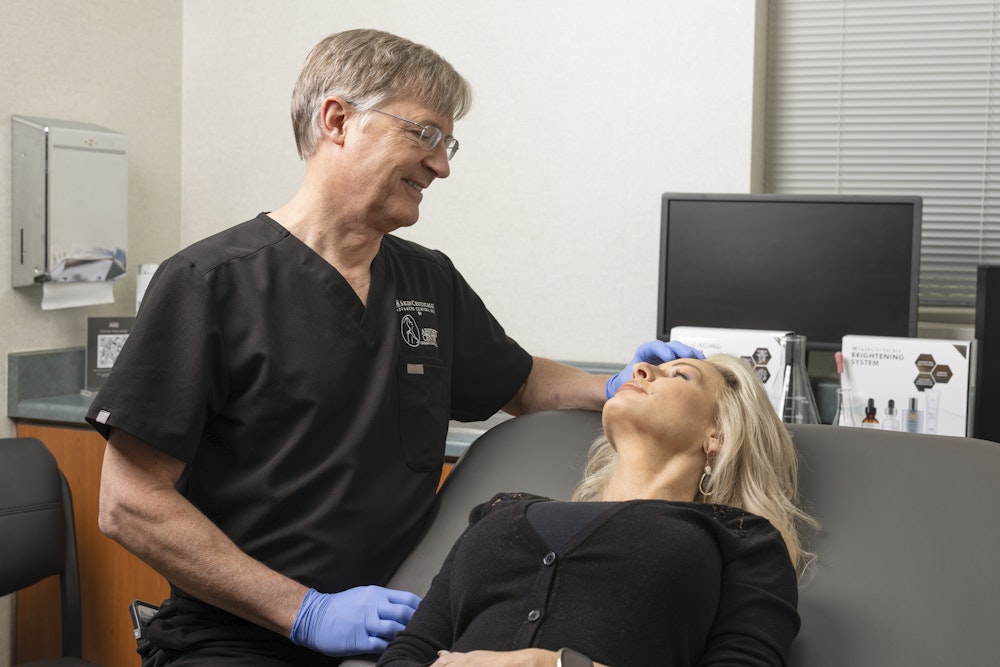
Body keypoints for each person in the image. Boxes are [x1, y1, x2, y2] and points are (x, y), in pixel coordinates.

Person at [86, 28, 701, 666]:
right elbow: (129, 503)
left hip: (404, 629)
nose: (442, 164)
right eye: (426, 134)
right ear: (338, 120)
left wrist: (612, 385)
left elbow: (517, 383)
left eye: (448, 142)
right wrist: (302, 610)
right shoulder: (210, 283)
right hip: (241, 635)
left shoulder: (426, 280)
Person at [377, 354, 818, 667]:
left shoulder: (743, 540)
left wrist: (549, 665)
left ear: (717, 434)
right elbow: (412, 649)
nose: (640, 369)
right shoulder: (500, 512)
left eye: (679, 375)